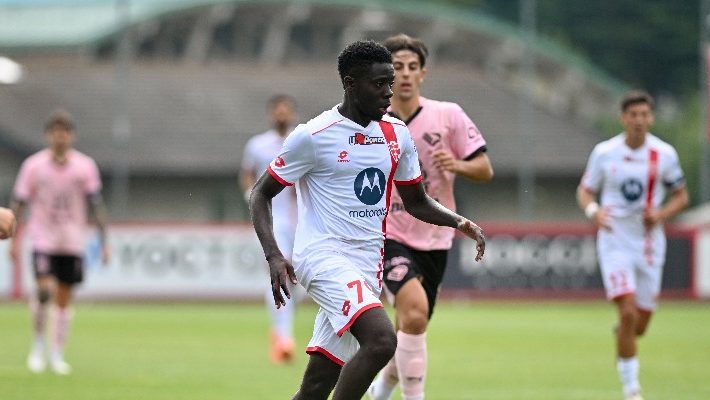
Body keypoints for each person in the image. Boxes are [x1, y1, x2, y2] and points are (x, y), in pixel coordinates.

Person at [249, 40, 486, 400]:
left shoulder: (395, 134)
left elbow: (417, 201)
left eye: (390, 83)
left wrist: (458, 222)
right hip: (323, 258)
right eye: (379, 84)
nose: (389, 93)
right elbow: (261, 193)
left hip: (366, 266)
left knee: (316, 385)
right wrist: (274, 255)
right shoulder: (313, 136)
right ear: (350, 83)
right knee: (381, 340)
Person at [367, 34, 494, 400]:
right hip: (387, 233)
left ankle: (380, 393)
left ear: (423, 74)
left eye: (412, 67)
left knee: (409, 325)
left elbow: (485, 168)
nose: (405, 75)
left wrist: (458, 165)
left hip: (436, 236)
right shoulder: (372, 122)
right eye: (397, 68)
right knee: (416, 315)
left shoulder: (448, 115)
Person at [576, 90, 688, 400]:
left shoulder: (664, 155)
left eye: (644, 115)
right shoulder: (604, 152)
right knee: (626, 313)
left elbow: (681, 196)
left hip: (650, 243)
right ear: (623, 118)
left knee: (638, 326)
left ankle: (624, 337)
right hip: (614, 239)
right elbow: (585, 192)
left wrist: (662, 213)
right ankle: (632, 391)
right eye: (633, 115)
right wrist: (594, 211)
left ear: (651, 118)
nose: (638, 121)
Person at [9, 109, 110, 375]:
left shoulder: (85, 166)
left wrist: (104, 241)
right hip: (43, 238)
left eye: (64, 132)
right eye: (55, 132)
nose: (60, 137)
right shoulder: (33, 166)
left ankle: (56, 353)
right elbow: (19, 201)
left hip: (72, 240)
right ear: (48, 136)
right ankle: (38, 345)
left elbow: (96, 203)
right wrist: (13, 237)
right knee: (44, 291)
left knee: (64, 300)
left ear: (71, 136)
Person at [240, 94, 299, 364]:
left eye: (286, 110)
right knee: (278, 272)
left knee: (300, 279)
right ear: (271, 114)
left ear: (292, 114)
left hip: (304, 221)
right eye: (278, 110)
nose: (282, 114)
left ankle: (279, 331)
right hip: (274, 222)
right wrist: (250, 196)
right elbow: (247, 173)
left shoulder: (301, 141)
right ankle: (284, 338)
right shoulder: (258, 145)